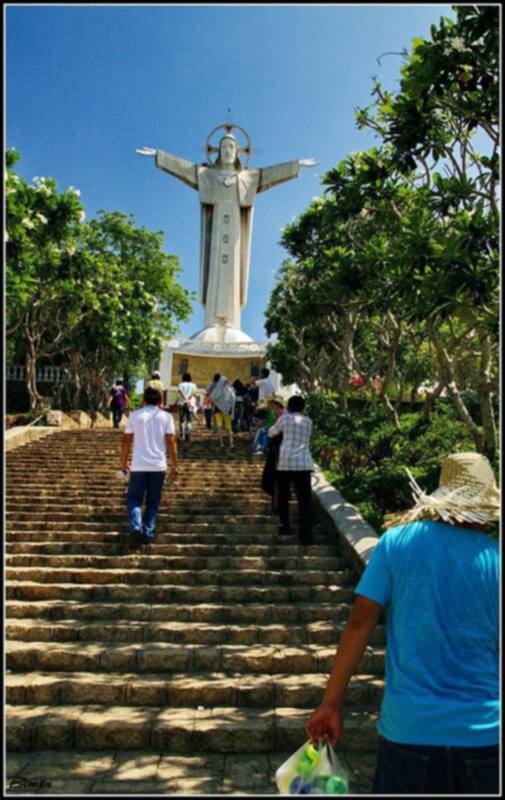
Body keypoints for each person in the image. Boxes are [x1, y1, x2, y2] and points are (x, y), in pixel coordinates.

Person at [306, 452, 499, 795]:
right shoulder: (496, 560)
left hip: (409, 732)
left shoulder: (397, 543)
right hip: (486, 735)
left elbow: (359, 623)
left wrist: (332, 702)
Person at [119, 385, 178, 548]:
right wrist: (175, 464)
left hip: (138, 465)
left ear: (144, 399)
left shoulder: (135, 416)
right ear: (161, 400)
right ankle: (148, 532)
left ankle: (136, 526)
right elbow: (171, 440)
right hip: (158, 465)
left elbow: (126, 441)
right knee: (153, 501)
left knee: (134, 499)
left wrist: (123, 463)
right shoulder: (166, 417)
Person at [267, 395, 314, 544]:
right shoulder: (308, 421)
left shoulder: (285, 419)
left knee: (283, 497)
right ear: (303, 408)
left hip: (285, 463)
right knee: (304, 501)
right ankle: (305, 534)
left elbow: (271, 432)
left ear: (290, 407)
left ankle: (286, 526)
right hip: (304, 464)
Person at [210, 374, 235, 449]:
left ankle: (221, 444)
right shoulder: (230, 389)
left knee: (219, 427)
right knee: (229, 428)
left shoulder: (217, 389)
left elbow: (213, 398)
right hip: (227, 411)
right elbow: (233, 400)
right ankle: (231, 443)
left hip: (217, 411)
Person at [177, 372, 198, 443]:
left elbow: (180, 391)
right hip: (189, 404)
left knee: (181, 420)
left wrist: (185, 398)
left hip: (181, 403)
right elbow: (194, 392)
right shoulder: (193, 385)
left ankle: (182, 435)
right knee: (189, 420)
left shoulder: (181, 384)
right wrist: (188, 398)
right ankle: (187, 435)